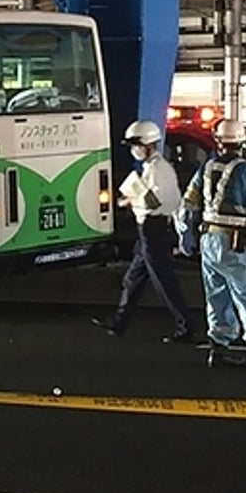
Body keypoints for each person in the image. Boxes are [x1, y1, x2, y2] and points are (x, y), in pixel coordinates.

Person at [92, 120, 199, 343]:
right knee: (133, 278)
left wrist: (131, 200)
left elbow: (161, 202)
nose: (134, 149)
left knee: (163, 281)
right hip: (148, 230)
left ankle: (186, 325)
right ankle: (120, 321)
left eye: (135, 144)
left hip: (154, 228)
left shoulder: (159, 169)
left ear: (148, 144)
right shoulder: (152, 167)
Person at [177, 118, 246, 367]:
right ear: (242, 143)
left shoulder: (206, 168)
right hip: (235, 242)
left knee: (216, 294)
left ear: (219, 142)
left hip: (209, 239)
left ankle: (218, 348)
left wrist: (185, 236)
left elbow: (188, 205)